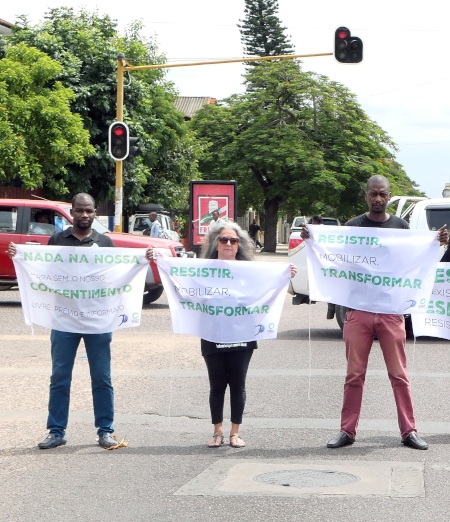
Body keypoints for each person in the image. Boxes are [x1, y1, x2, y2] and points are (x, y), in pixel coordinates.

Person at [301, 175, 448, 450]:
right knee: (354, 375)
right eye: (373, 194)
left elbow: (414, 261)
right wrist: (314, 240)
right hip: (359, 312)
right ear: (366, 195)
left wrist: (435, 243)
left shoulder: (401, 227)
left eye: (382, 194)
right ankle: (347, 431)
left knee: (400, 375)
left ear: (389, 196)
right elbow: (337, 258)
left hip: (391, 312)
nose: (378, 199)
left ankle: (409, 431)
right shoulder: (354, 226)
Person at [9, 193, 153, 450]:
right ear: (72, 213)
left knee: (102, 377)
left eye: (89, 211)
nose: (84, 215)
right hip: (64, 319)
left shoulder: (105, 242)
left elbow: (116, 276)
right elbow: (46, 272)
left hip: (98, 321)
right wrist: (19, 256)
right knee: (60, 377)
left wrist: (143, 260)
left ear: (95, 212)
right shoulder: (57, 240)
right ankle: (56, 431)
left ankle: (106, 431)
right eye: (79, 211)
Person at [199, 222, 297, 448]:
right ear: (216, 243)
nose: (228, 244)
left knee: (237, 384)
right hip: (212, 334)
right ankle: (217, 432)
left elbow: (267, 286)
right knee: (216, 386)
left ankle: (234, 432)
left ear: (239, 245)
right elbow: (184, 286)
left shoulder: (249, 270)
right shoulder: (202, 269)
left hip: (242, 335)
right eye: (224, 239)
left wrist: (285, 275)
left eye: (233, 241)